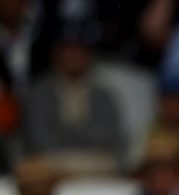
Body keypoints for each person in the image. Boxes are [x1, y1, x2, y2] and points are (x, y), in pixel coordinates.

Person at [23, 21, 125, 166]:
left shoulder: (103, 94)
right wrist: (83, 136)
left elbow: (109, 136)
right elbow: (39, 139)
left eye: (80, 50)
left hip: (94, 161)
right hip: (52, 160)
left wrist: (65, 132)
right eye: (68, 50)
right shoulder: (40, 92)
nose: (74, 56)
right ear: (56, 54)